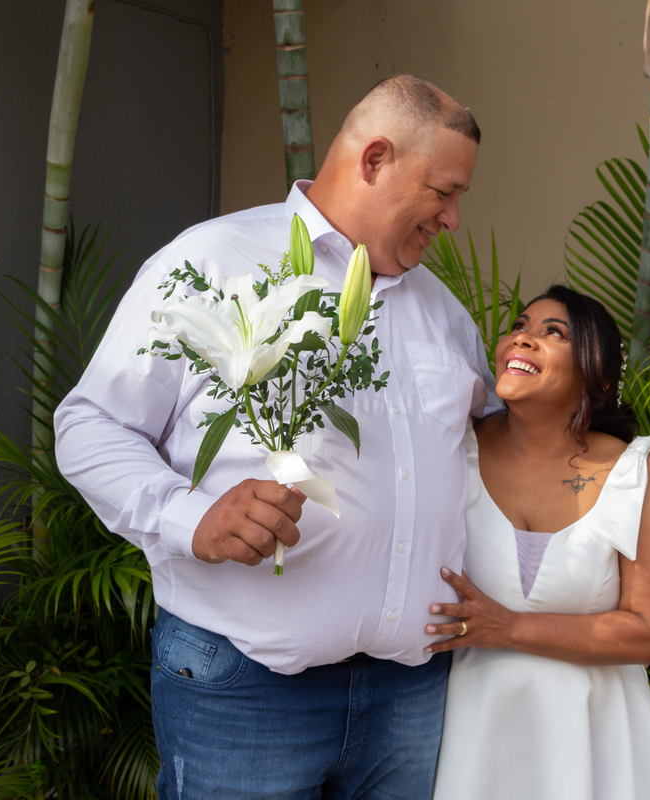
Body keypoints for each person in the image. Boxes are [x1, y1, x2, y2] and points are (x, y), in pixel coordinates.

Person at [53, 75, 499, 799]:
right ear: (376, 158)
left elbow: (501, 452)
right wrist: (191, 517)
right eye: (443, 192)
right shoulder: (212, 263)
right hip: (245, 693)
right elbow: (90, 424)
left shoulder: (445, 314)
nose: (453, 219)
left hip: (410, 698)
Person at [427, 285, 650, 799]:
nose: (523, 339)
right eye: (520, 327)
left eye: (554, 333)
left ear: (599, 376)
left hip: (596, 742)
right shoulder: (454, 447)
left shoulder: (633, 470)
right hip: (473, 733)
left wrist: (511, 628)